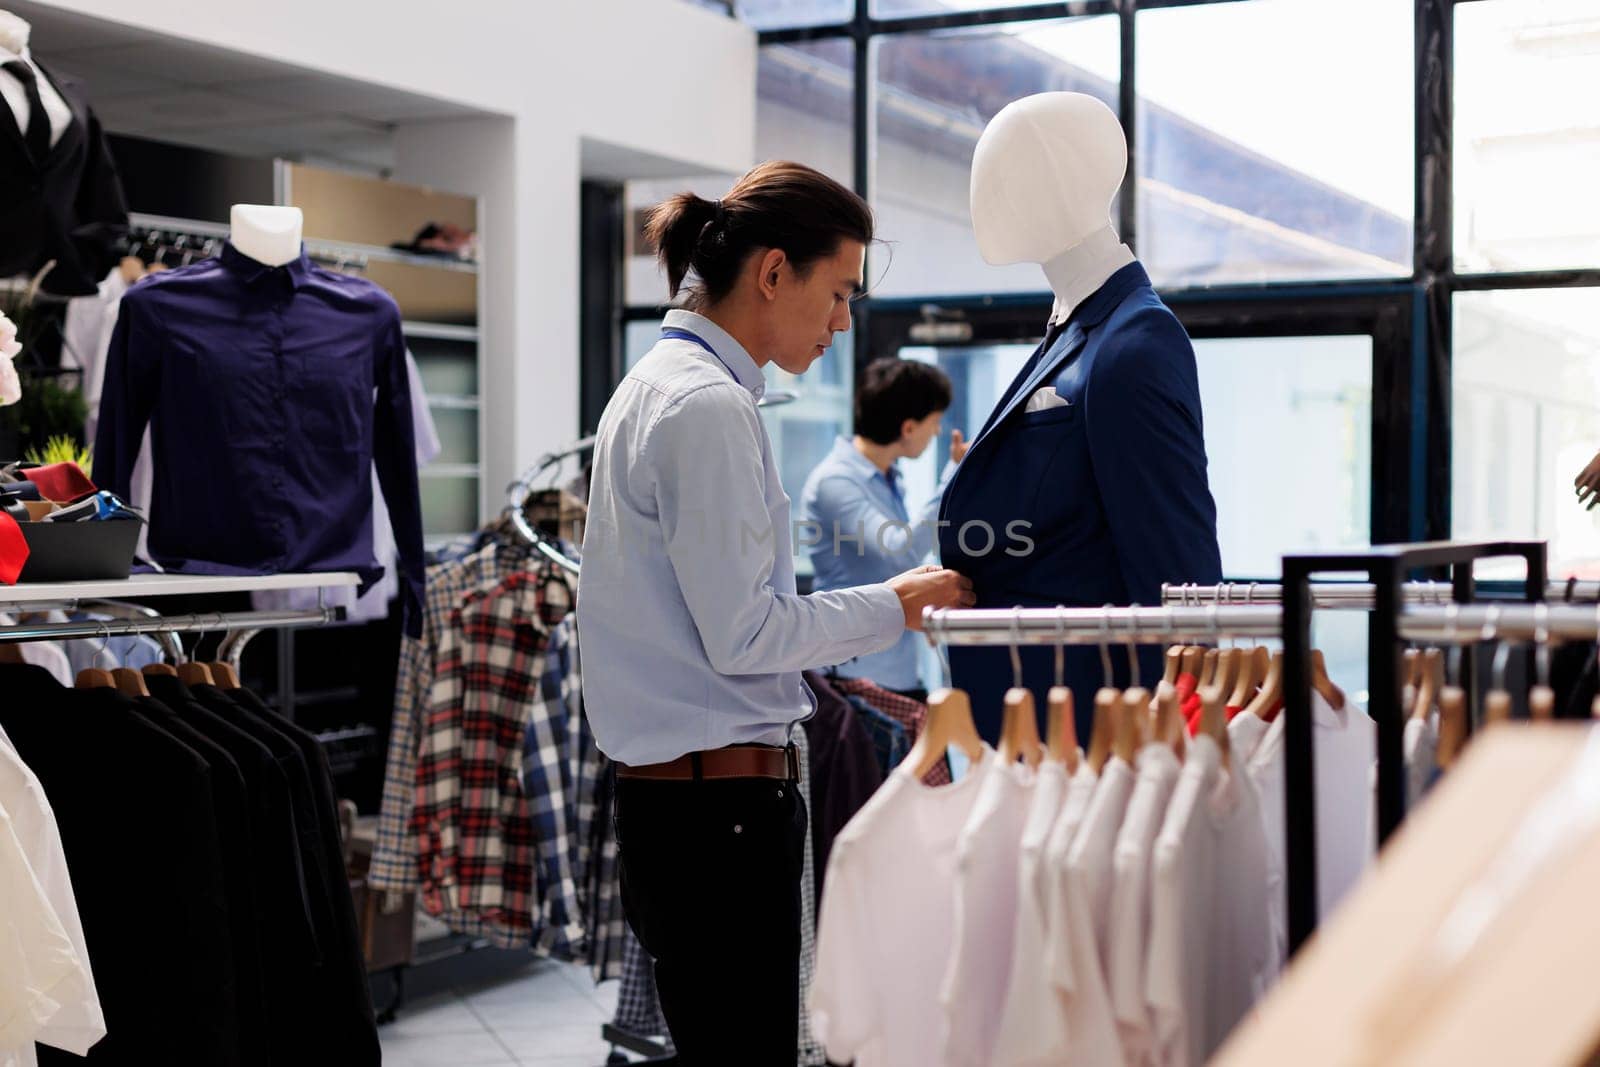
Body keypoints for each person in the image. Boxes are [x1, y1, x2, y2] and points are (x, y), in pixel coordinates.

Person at [577, 160, 975, 1065]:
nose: (843, 322)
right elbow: (747, 634)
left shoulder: (660, 387)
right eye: (837, 292)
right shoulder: (707, 404)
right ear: (771, 272)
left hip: (687, 808)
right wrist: (896, 604)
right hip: (718, 814)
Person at [800, 357, 970, 700]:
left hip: (896, 671)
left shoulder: (889, 477)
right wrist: (952, 480)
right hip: (858, 680)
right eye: (934, 422)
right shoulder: (836, 481)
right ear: (908, 428)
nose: (937, 431)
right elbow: (899, 551)